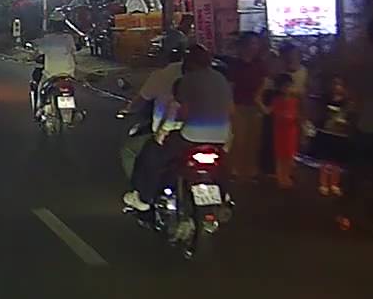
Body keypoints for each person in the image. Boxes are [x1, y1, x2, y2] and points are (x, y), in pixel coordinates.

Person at [124, 45, 233, 212]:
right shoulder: (221, 79)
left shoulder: (186, 80)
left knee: (152, 154)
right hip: (221, 136)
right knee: (222, 164)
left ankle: (144, 198)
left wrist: (163, 132)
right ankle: (225, 195)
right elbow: (230, 110)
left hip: (192, 136)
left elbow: (179, 110)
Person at [228, 32, 268, 181]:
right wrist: (231, 105)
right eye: (252, 43)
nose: (255, 47)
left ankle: (251, 170)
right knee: (238, 139)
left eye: (256, 44)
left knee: (254, 140)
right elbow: (230, 86)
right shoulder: (235, 65)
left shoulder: (260, 64)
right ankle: (234, 168)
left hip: (255, 106)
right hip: (239, 105)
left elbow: (264, 82)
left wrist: (259, 99)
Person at [311, 76, 353, 197]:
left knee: (337, 161)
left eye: (340, 84)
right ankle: (323, 184)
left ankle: (335, 184)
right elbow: (320, 115)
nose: (337, 87)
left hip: (340, 134)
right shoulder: (325, 99)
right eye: (335, 84)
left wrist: (345, 122)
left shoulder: (348, 102)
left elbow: (350, 117)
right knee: (325, 160)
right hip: (326, 132)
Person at [259, 73, 300, 189]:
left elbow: (297, 115)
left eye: (289, 86)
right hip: (280, 131)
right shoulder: (277, 100)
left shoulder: (295, 100)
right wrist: (258, 100)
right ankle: (281, 177)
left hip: (291, 130)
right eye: (285, 86)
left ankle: (286, 176)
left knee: (289, 154)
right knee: (280, 155)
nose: (287, 89)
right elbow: (268, 111)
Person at [31, 20, 77, 117]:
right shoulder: (69, 38)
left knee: (40, 88)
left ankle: (39, 109)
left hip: (51, 73)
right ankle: (73, 111)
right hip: (68, 73)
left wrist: (32, 56)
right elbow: (73, 52)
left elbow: (38, 53)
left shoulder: (48, 38)